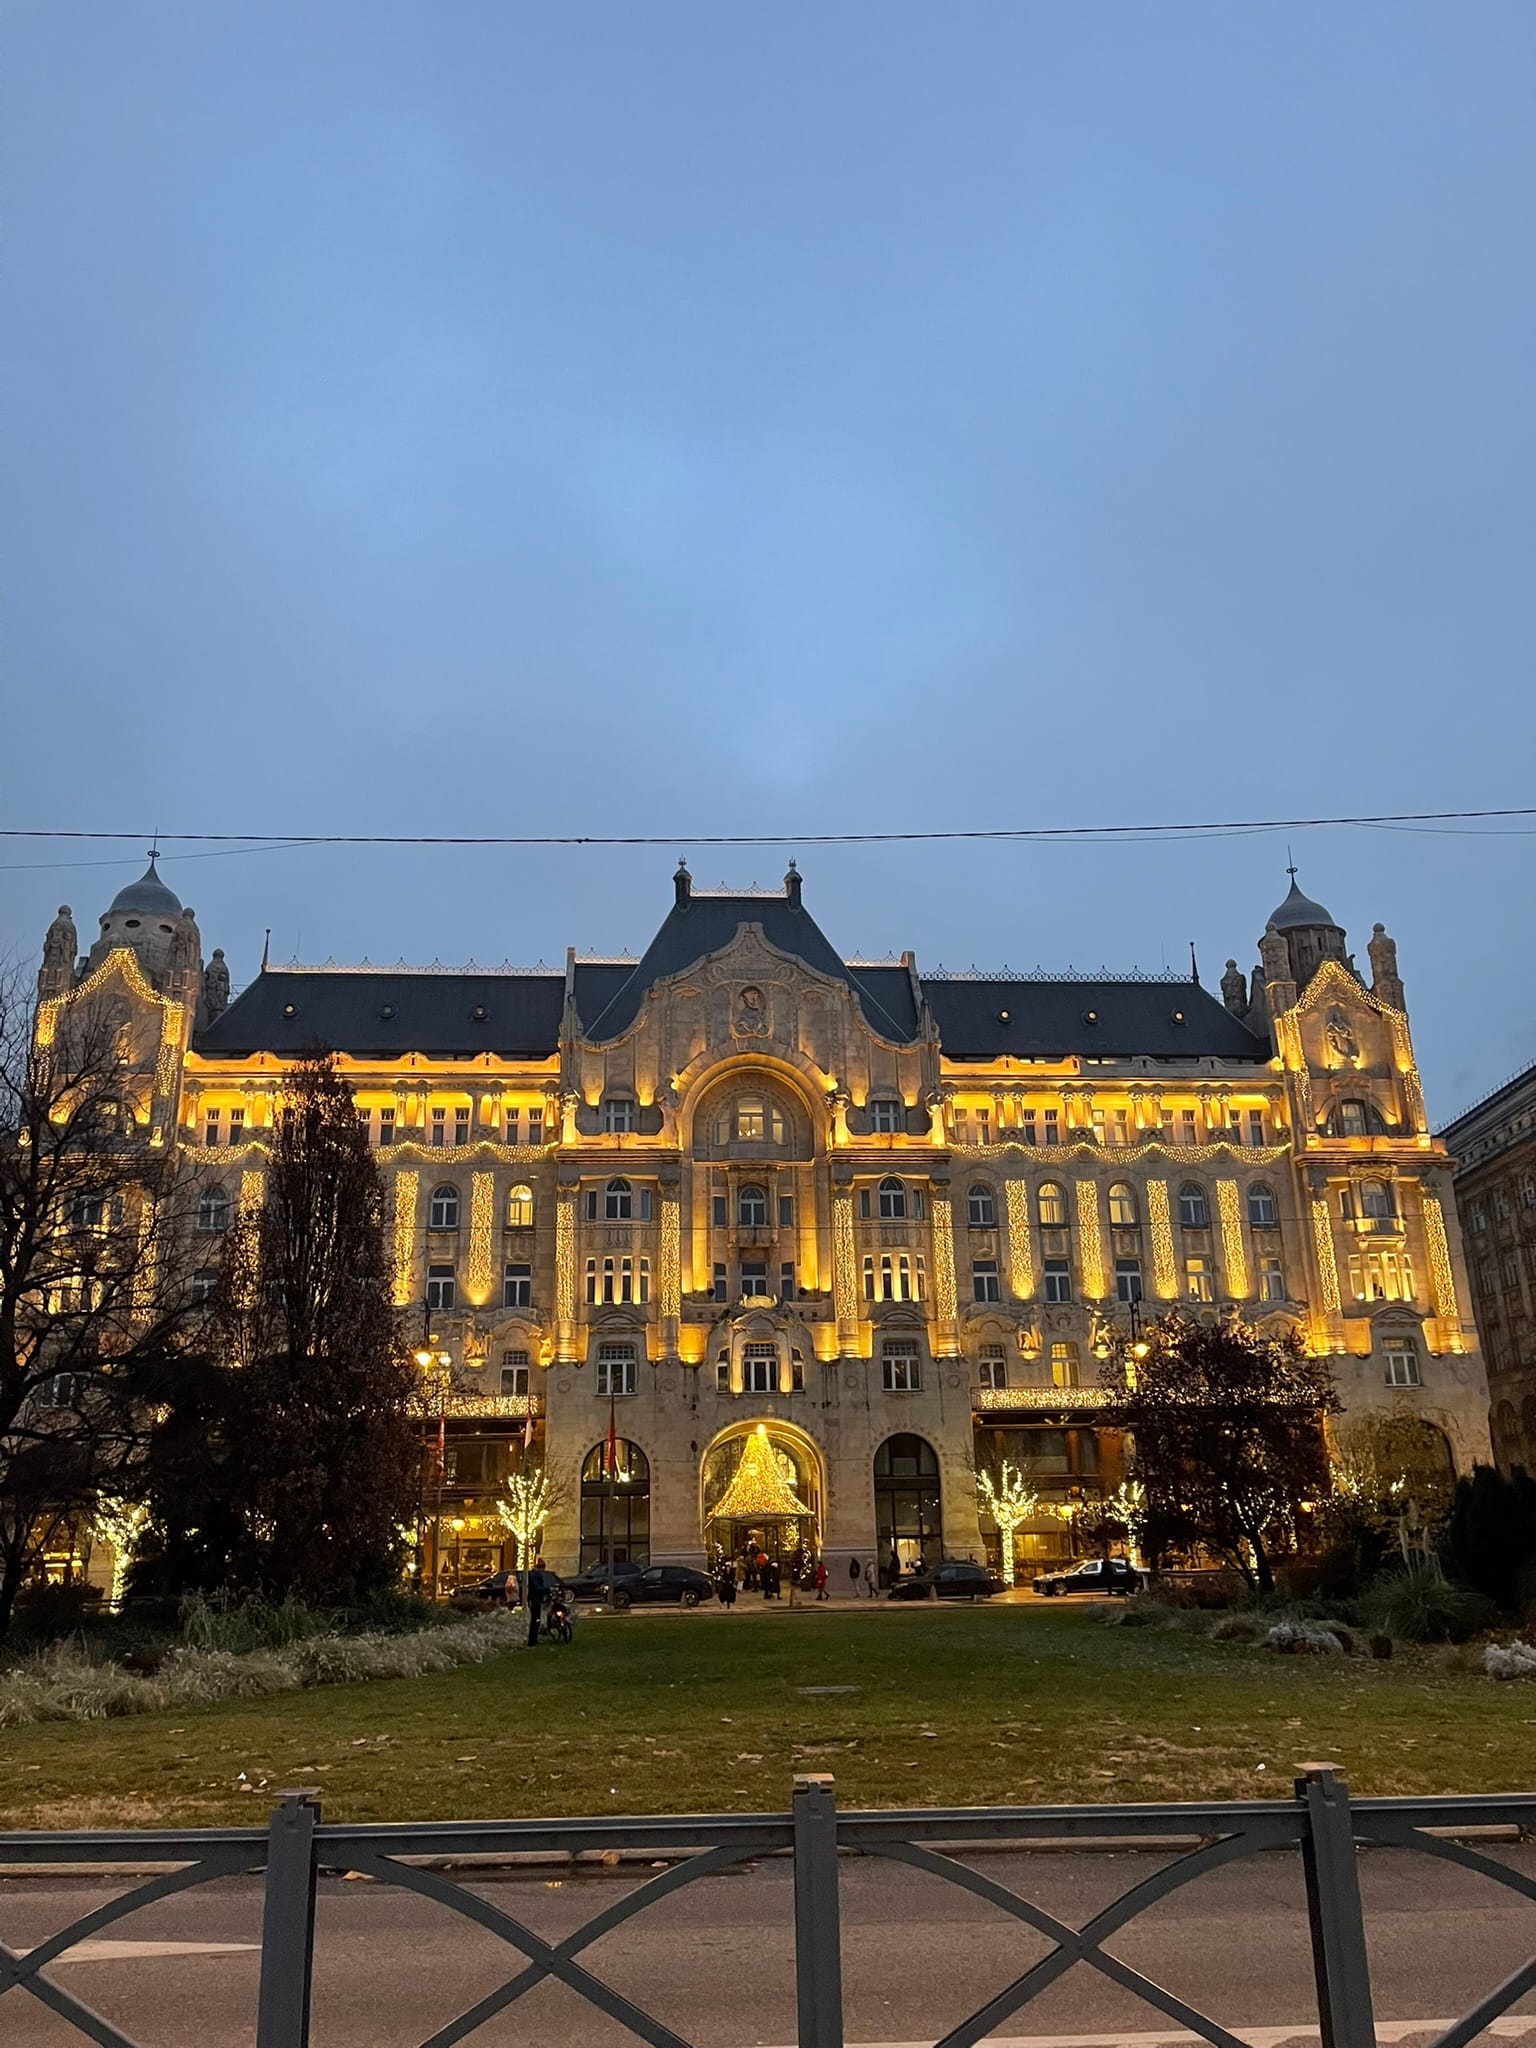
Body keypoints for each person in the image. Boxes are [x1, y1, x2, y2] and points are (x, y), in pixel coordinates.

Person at [526, 1556, 549, 1647]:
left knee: (536, 1620)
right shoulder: (533, 1576)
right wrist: (546, 1590)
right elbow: (537, 1588)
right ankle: (532, 1641)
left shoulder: (537, 1576)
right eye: (542, 1568)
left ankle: (534, 1640)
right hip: (534, 1600)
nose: (543, 1571)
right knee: (535, 1620)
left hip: (536, 1600)